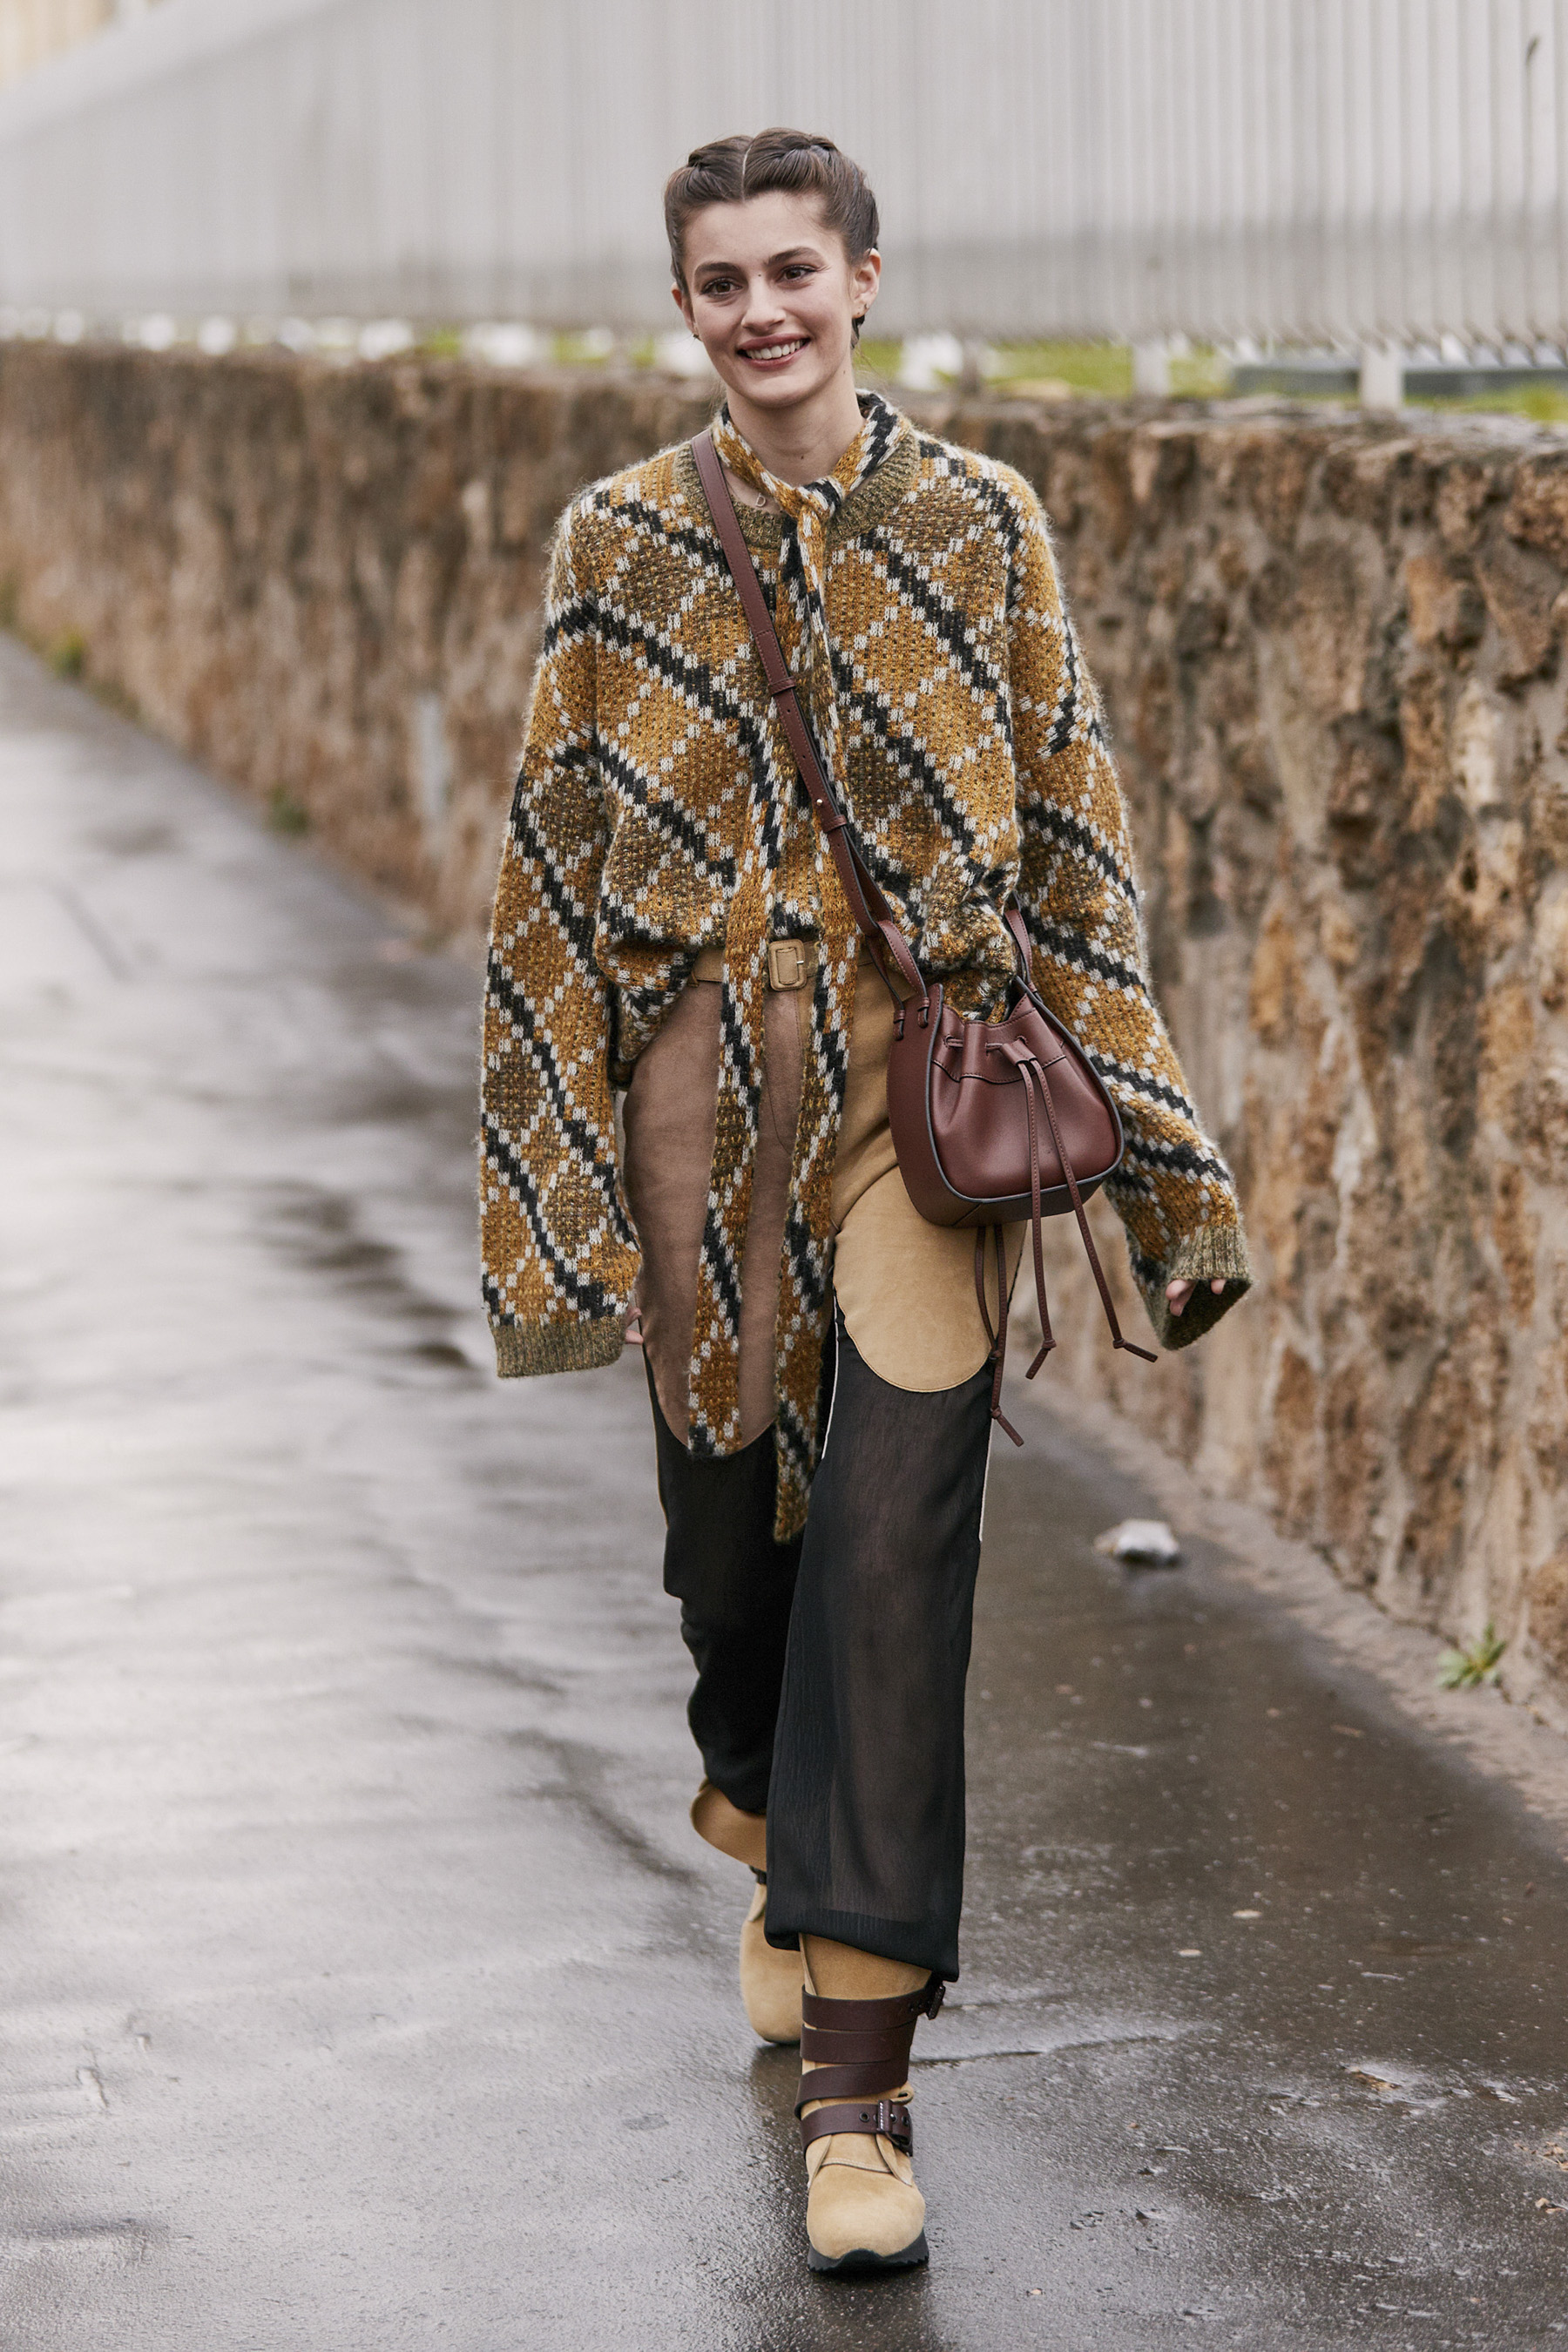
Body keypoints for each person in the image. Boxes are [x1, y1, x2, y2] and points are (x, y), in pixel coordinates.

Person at [479, 127, 1249, 2276]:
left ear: (868, 279)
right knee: (736, 1554)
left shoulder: (987, 529)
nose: (763, 313)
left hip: (930, 1092)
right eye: (722, 282)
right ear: (687, 309)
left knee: (900, 1550)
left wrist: (1167, 1175)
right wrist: (544, 1204)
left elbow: (1077, 847)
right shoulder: (621, 544)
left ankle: (860, 2095)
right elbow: (550, 879)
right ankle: (758, 1807)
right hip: (694, 1093)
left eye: (793, 271)